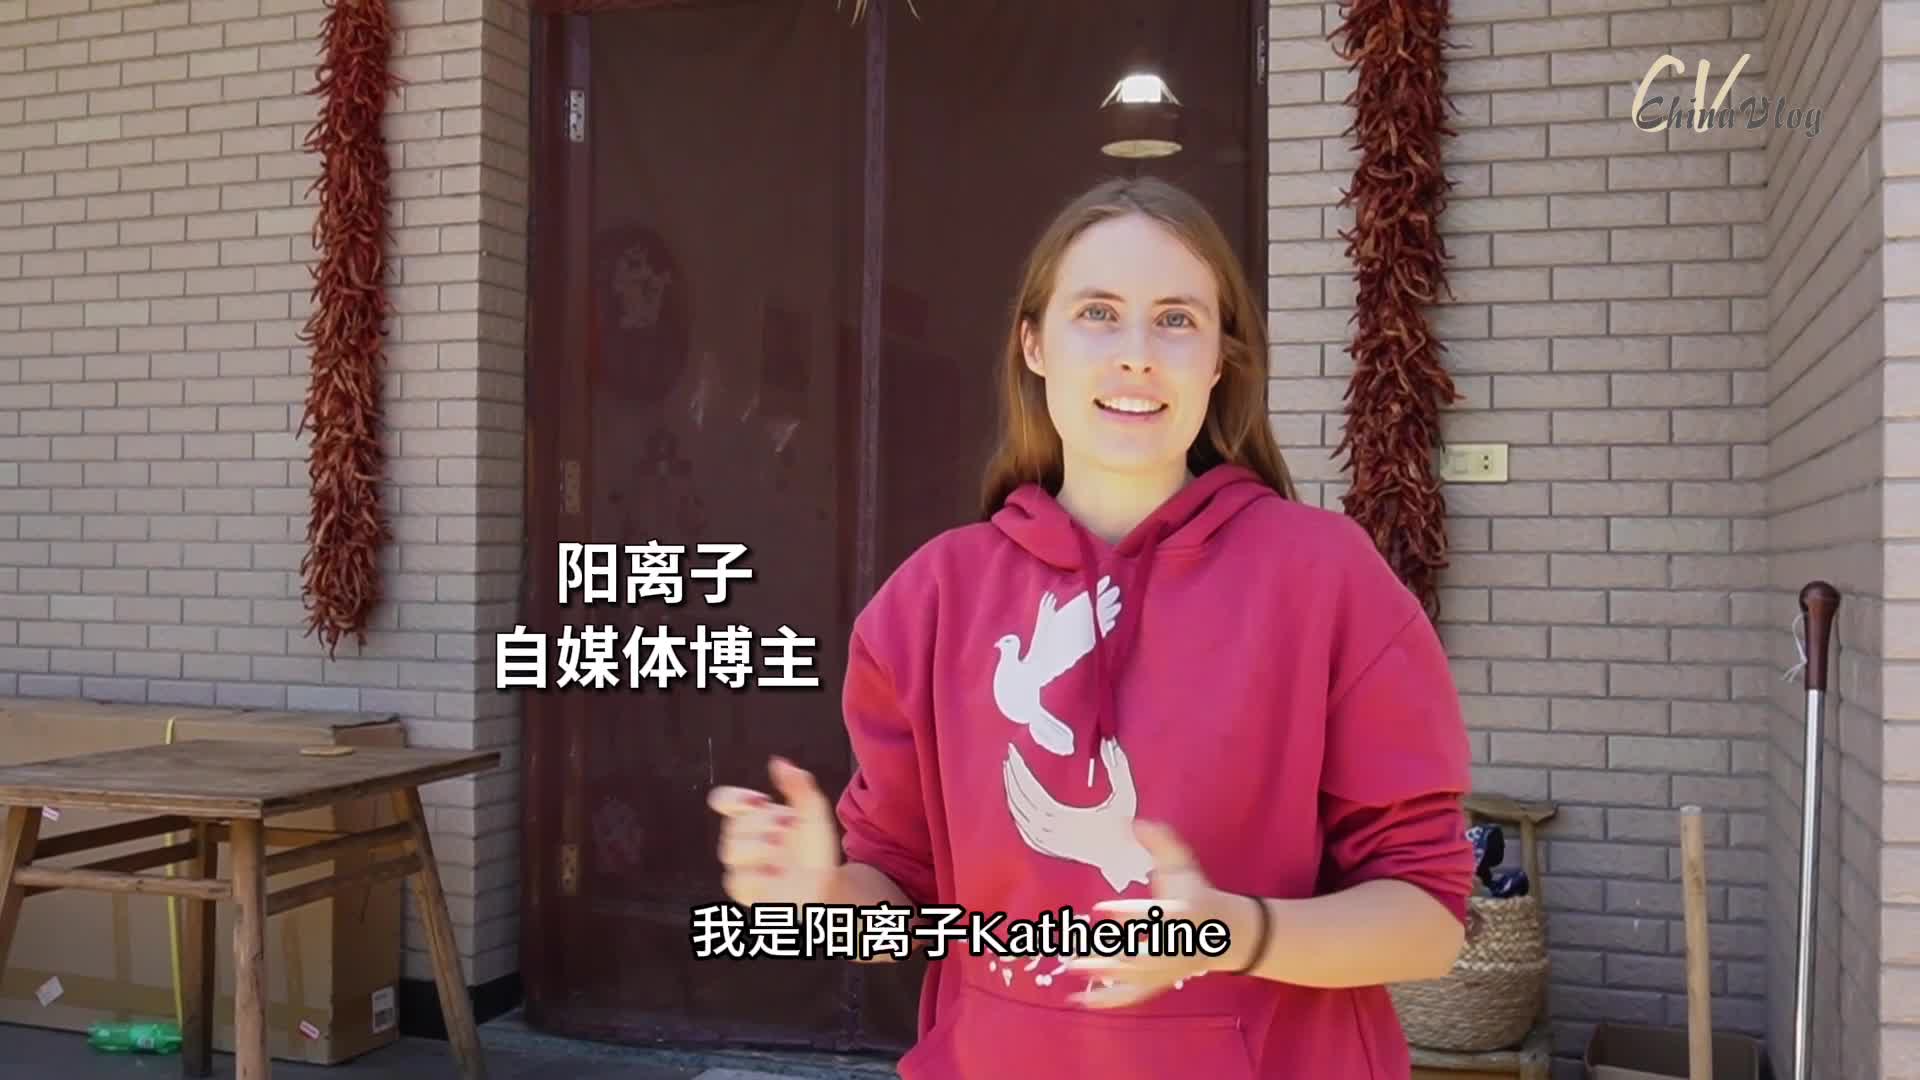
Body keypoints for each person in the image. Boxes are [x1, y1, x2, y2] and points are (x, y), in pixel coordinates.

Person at [708, 175, 1474, 1078]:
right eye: (1098, 314)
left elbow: (1427, 922)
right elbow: (902, 905)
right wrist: (816, 900)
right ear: (1034, 344)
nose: (1137, 355)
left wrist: (1235, 933)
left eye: (1177, 319)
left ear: (1220, 359)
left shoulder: (1325, 578)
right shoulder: (932, 601)